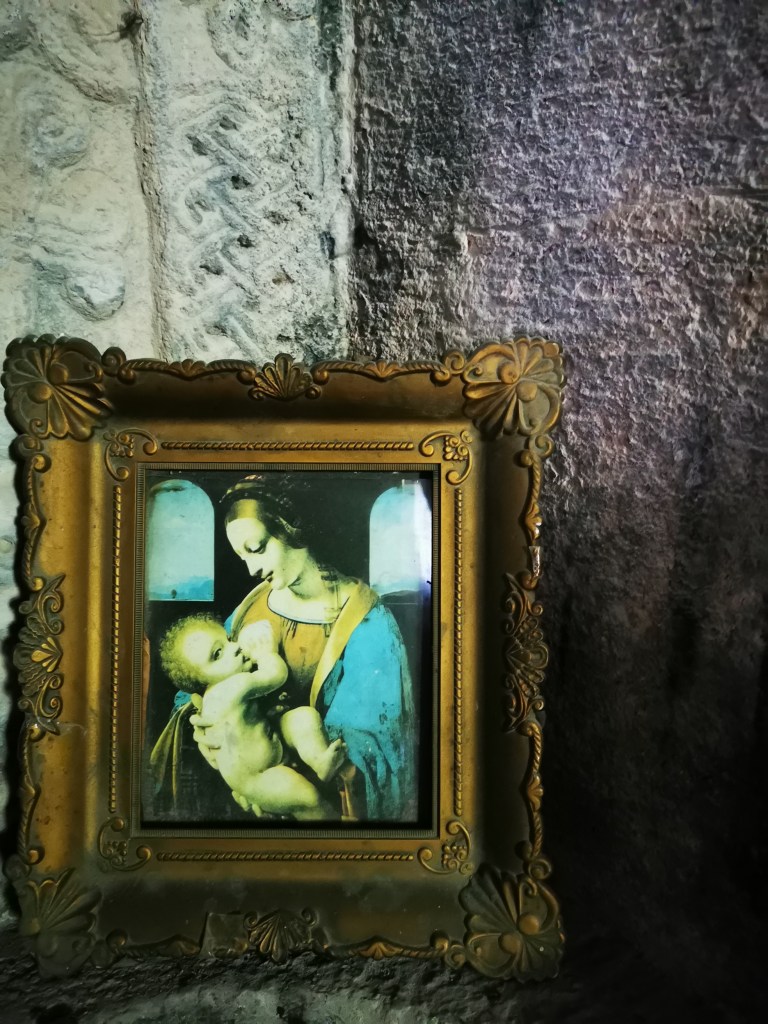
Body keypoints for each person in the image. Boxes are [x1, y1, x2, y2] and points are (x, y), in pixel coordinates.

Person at [189, 475, 418, 822]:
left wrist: (285, 787)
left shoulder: (367, 622)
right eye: (241, 556)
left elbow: (372, 744)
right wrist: (208, 736)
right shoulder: (253, 606)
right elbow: (197, 680)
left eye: (257, 548)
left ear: (292, 528)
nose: (252, 569)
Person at [157, 615, 347, 820]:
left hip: (272, 741)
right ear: (201, 681)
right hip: (260, 777)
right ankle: (333, 823)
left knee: (302, 717)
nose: (235, 647)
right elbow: (276, 675)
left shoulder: (213, 694)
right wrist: (266, 653)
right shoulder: (231, 688)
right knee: (306, 797)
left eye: (228, 639)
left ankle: (320, 761)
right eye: (218, 654)